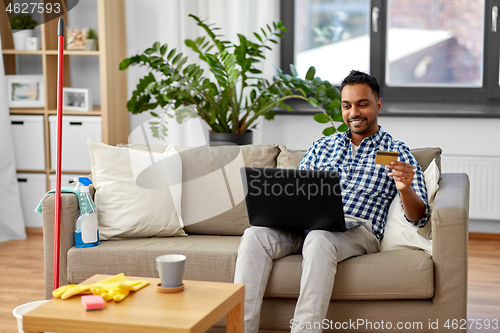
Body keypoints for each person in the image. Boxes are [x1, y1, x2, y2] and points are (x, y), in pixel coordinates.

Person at [233, 70, 429, 333]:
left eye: (362, 104)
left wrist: (405, 189)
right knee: (255, 234)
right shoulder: (322, 146)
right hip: (304, 225)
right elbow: (296, 192)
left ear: (378, 105)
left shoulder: (398, 153)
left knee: (320, 238)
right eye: (347, 106)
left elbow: (418, 217)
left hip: (357, 230)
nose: (354, 113)